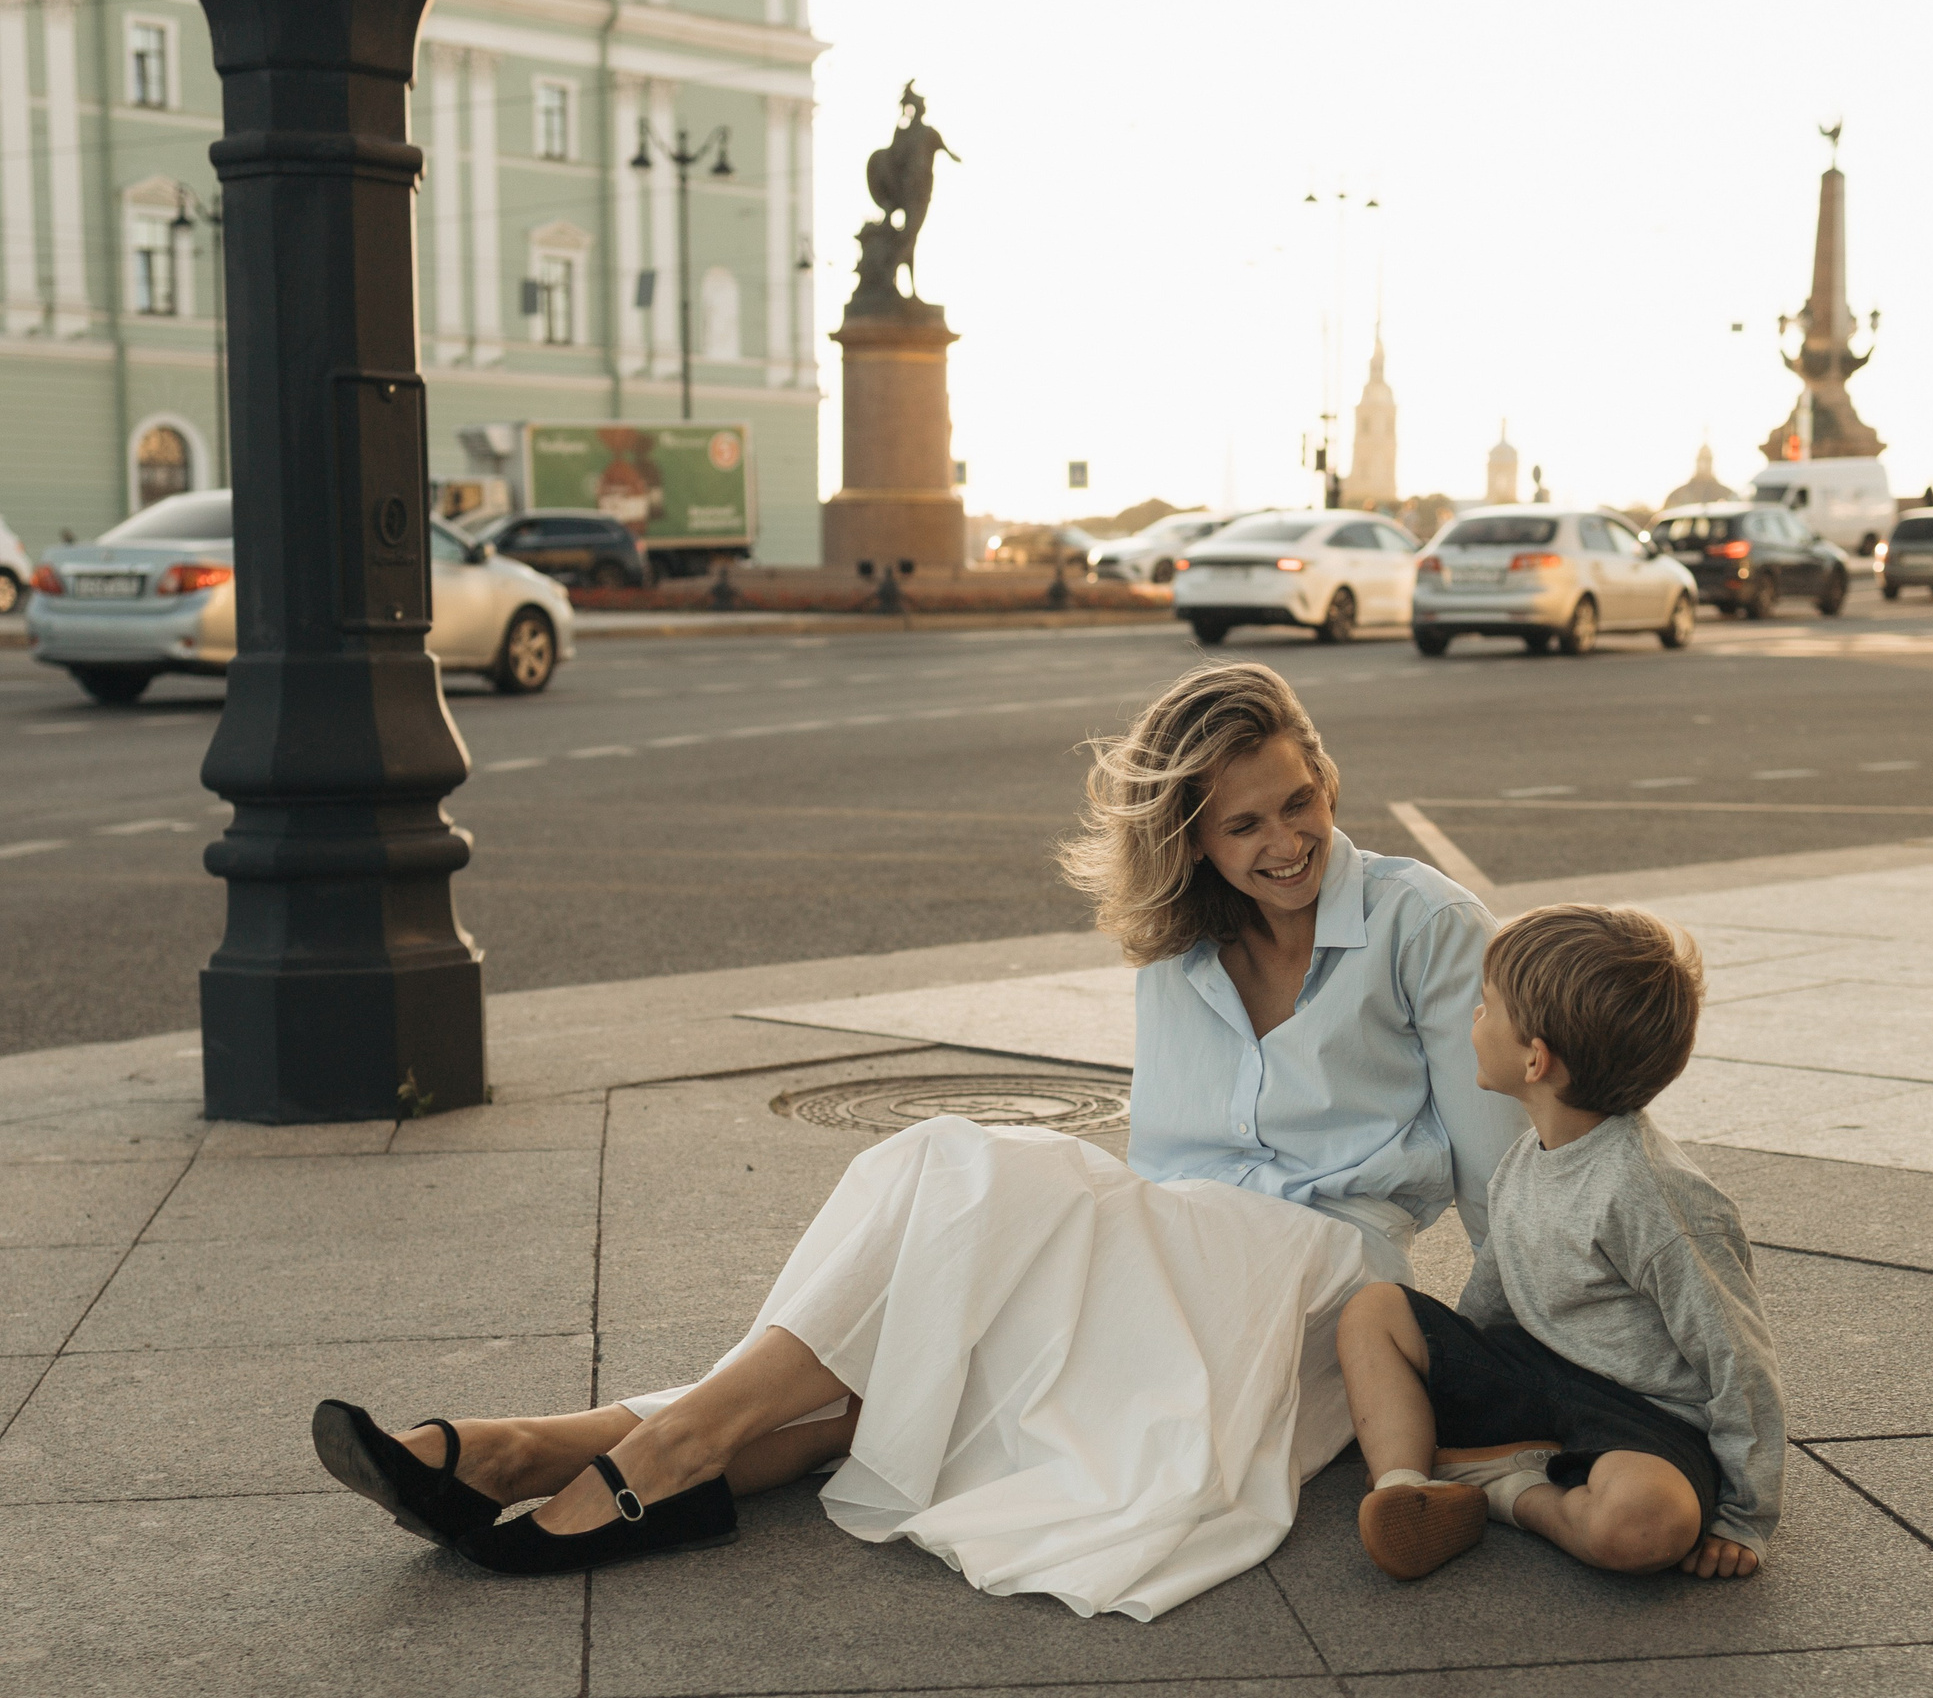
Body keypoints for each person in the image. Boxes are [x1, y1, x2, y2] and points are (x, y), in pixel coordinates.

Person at [309, 662, 1527, 1618]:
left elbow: (1498, 1172)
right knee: (941, 1297)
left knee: (960, 1192)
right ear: (1196, 843)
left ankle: (631, 1447)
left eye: (1297, 801)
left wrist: (1536, 1372)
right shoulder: (1180, 947)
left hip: (1318, 1278)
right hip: (1180, 1241)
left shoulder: (1423, 923)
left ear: (1324, 773)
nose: (1283, 841)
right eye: (1242, 824)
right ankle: (531, 1452)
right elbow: (1166, 1158)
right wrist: (1078, 1268)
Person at [1334, 903, 1785, 1583]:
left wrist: (1745, 1514)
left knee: (1644, 1525)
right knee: (1373, 1310)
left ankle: (1508, 1491)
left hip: (1644, 1415)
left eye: (1487, 1006)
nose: (1474, 1017)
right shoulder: (1527, 1156)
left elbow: (1737, 1358)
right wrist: (1458, 1384)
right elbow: (1493, 1292)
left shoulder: (1656, 1197)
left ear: (1535, 1059)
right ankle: (1406, 1488)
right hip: (1539, 1376)